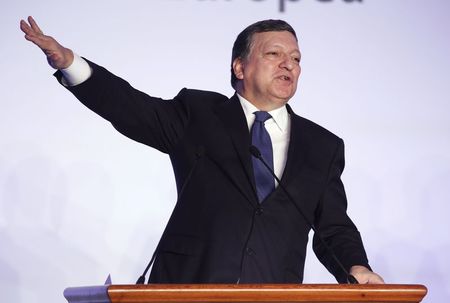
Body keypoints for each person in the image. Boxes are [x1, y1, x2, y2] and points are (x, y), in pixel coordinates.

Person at [20, 16, 384, 284]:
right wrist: (71, 65)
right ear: (239, 66)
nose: (289, 64)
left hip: (274, 293)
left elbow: (333, 227)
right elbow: (130, 108)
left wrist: (357, 267)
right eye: (275, 53)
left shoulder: (322, 145)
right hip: (188, 287)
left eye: (297, 58)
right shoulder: (198, 114)